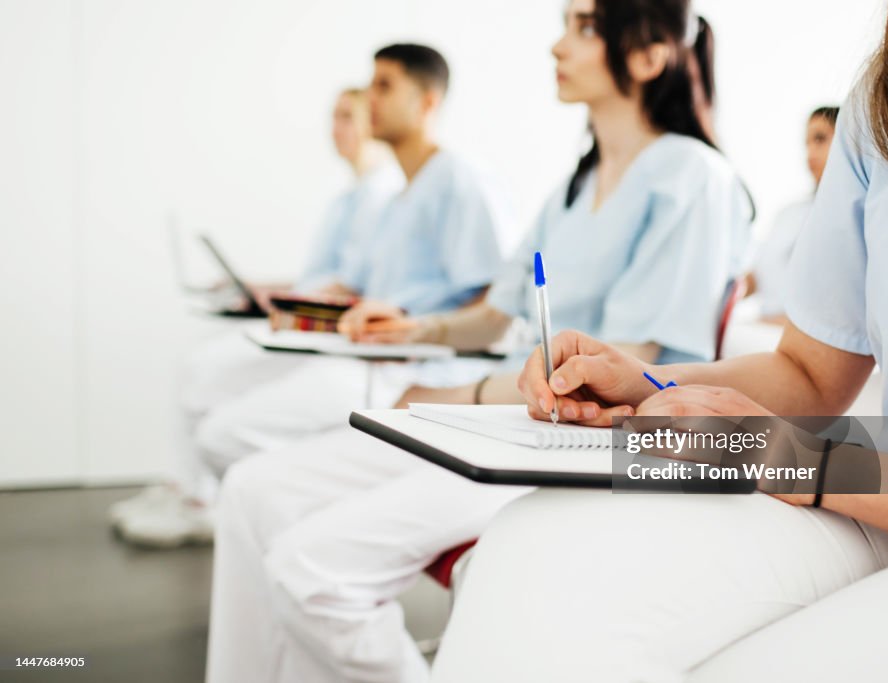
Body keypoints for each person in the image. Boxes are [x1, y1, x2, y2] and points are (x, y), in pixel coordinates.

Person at [430, 1, 888, 681]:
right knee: (535, 555)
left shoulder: (688, 176)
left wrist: (799, 461)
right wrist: (649, 383)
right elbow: (810, 373)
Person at [206, 2, 753, 681]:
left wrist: (458, 393)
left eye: (584, 28)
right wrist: (416, 328)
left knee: (311, 569)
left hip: (595, 443)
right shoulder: (575, 185)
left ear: (648, 56)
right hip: (513, 419)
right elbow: (496, 312)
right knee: (252, 489)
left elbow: (621, 363)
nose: (557, 46)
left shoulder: (693, 179)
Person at [116, 43, 511, 547]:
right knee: (206, 386)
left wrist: (415, 330)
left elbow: (494, 305)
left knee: (225, 436)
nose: (370, 98)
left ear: (427, 102)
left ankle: (248, 512)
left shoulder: (460, 181)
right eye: (369, 84)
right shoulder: (400, 198)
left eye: (385, 86)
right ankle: (236, 508)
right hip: (361, 350)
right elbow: (359, 288)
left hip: (408, 367)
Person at [108, 86, 403, 546]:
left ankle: (200, 499)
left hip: (334, 333)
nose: (335, 128)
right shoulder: (350, 197)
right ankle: (188, 489)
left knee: (205, 375)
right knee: (196, 369)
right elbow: (326, 276)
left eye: (348, 116)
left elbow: (358, 285)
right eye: (333, 116)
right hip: (307, 317)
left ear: (374, 120)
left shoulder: (384, 194)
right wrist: (264, 287)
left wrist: (291, 299)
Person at [742, 106, 838, 324]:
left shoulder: (857, 218)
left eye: (820, 139)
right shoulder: (789, 213)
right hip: (764, 329)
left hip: (801, 335)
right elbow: (757, 276)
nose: (810, 152)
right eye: (807, 143)